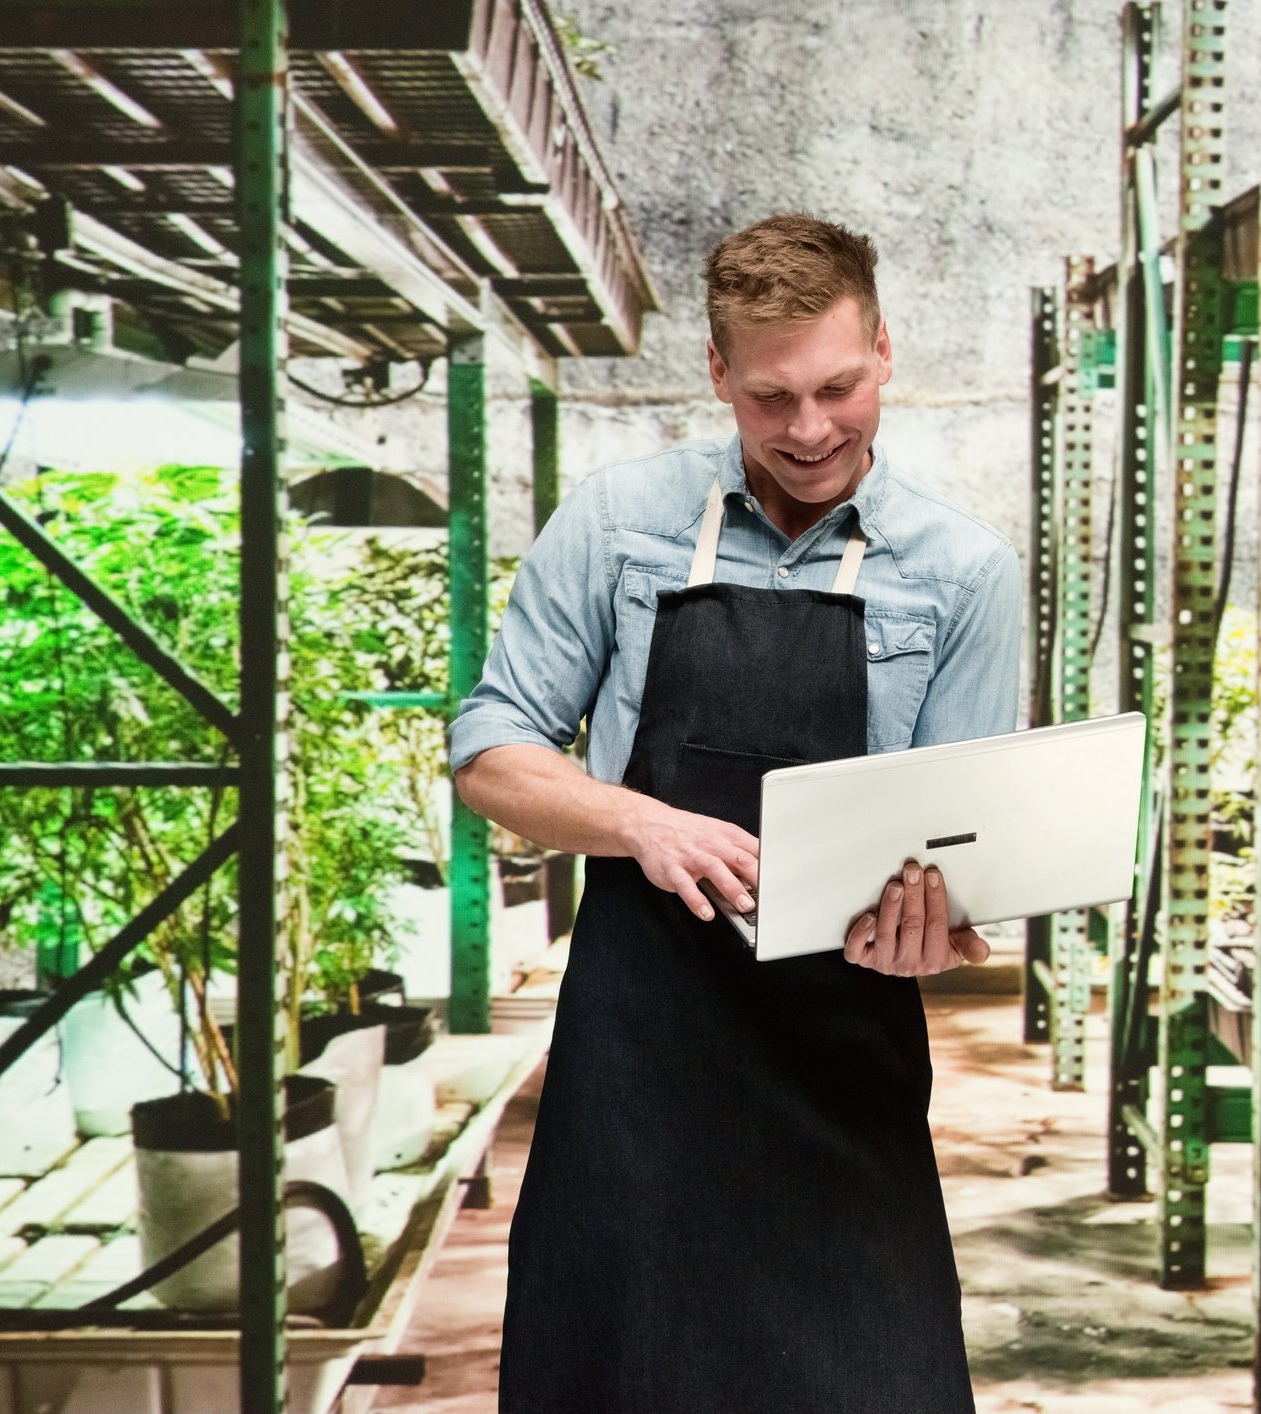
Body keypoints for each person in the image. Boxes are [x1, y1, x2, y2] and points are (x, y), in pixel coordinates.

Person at [450, 212, 1022, 1413]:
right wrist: (638, 822)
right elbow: (493, 750)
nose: (810, 430)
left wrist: (943, 925)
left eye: (838, 388)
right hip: (643, 1040)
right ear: (717, 373)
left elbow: (965, 840)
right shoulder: (618, 524)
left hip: (840, 1047)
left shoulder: (961, 568)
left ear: (883, 352)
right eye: (770, 398)